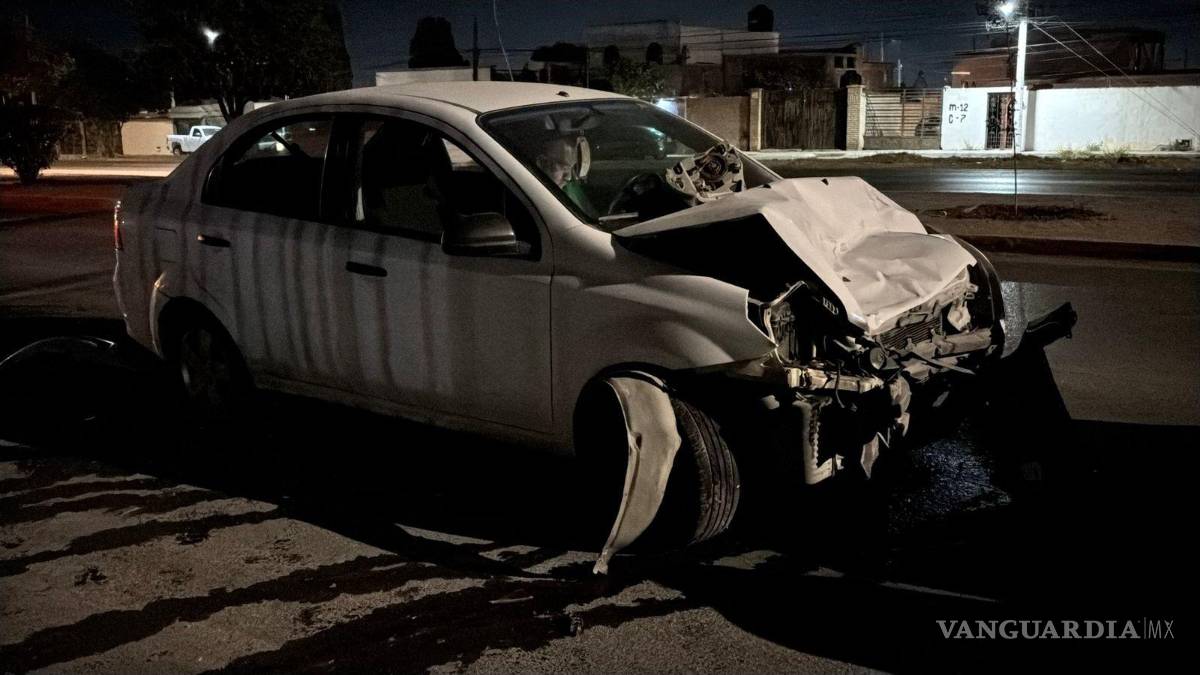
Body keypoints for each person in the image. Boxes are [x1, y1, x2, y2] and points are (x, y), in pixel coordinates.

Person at [535, 136, 597, 217]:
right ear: (543, 163)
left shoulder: (570, 188)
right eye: (563, 168)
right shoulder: (531, 199)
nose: (569, 177)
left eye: (572, 168)